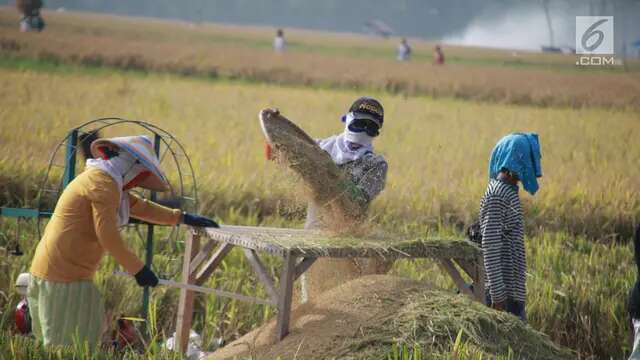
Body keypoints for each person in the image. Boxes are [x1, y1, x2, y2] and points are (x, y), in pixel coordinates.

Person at [28, 135, 218, 348]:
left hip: (64, 273)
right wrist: (138, 270)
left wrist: (181, 217)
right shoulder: (102, 184)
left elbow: (141, 207)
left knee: (77, 345)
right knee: (68, 348)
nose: (137, 182)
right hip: (62, 276)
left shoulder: (105, 181)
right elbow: (107, 235)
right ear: (130, 166)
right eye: (140, 176)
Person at [300, 97, 389, 302]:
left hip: (350, 243)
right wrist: (273, 123)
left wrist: (331, 177)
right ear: (346, 119)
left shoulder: (375, 165)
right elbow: (282, 145)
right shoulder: (318, 149)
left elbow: (357, 199)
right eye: (359, 123)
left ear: (376, 132)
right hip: (314, 236)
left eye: (370, 127)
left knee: (348, 298)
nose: (363, 131)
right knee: (311, 298)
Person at [478, 133, 542, 321]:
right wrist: (498, 296)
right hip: (503, 297)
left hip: (512, 294)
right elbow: (490, 246)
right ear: (516, 160)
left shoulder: (508, 192)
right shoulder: (498, 194)